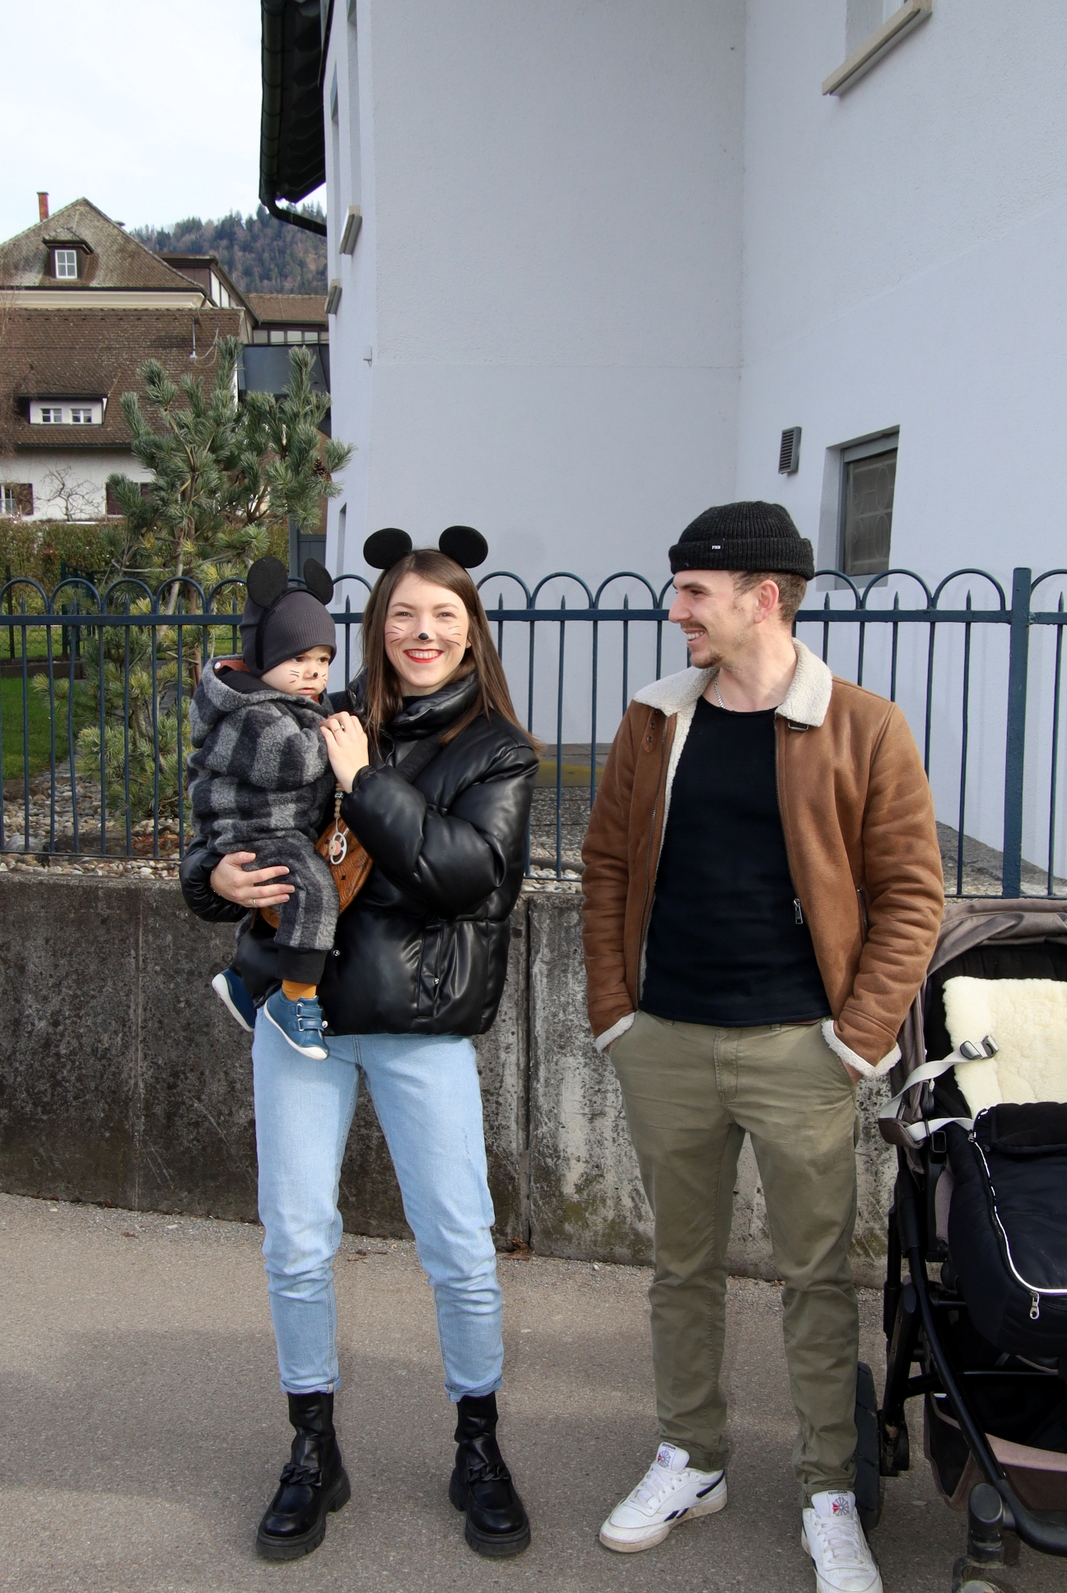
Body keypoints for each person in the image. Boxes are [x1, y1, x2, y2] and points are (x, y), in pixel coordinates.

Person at [581, 502, 943, 1593]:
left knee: (815, 1279)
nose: (675, 611)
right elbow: (605, 868)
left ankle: (827, 1491)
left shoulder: (863, 727)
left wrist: (855, 1041)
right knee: (679, 1269)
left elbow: (910, 896)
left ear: (763, 597)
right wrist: (615, 1013)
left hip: (801, 1051)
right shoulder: (654, 720)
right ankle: (690, 1458)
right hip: (666, 1041)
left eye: (693, 592)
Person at [180, 526, 538, 1562]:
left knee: (459, 1247)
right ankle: (312, 1448)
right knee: (295, 1240)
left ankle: (477, 1445)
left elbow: (469, 876)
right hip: (302, 1021)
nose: (422, 633)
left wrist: (367, 780)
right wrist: (211, 879)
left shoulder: (495, 748)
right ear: (376, 627)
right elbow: (231, 814)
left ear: (470, 629)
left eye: (444, 616)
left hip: (420, 1023)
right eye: (402, 615)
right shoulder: (312, 712)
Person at [188, 556, 339, 1058]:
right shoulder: (250, 711)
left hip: (277, 828)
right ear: (261, 658)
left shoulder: (288, 702)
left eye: (323, 660)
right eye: (298, 658)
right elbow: (294, 760)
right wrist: (339, 736)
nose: (313, 672)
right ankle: (294, 1001)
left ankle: (243, 980)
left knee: (284, 902)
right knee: (312, 889)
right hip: (252, 830)